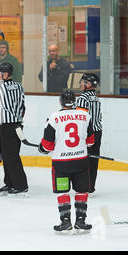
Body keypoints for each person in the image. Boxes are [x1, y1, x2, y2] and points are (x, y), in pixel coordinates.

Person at [38, 89, 95, 233]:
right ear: (74, 102)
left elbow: (47, 145)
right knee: (81, 191)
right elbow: (90, 141)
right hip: (81, 161)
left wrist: (42, 149)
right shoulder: (85, 115)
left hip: (61, 164)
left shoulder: (54, 117)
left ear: (60, 102)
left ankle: (65, 221)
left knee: (63, 192)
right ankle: (81, 221)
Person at [0, 62, 29, 196]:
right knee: (9, 156)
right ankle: (10, 182)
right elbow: (22, 105)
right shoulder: (19, 86)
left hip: (8, 125)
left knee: (11, 156)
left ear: (6, 74)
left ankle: (21, 185)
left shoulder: (0, 87)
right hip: (17, 124)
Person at [76, 73, 102, 195]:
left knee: (84, 161)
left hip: (88, 133)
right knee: (93, 161)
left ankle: (84, 187)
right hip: (98, 132)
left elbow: (81, 119)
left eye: (82, 81)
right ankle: (90, 187)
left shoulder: (82, 98)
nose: (80, 84)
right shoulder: (96, 97)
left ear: (88, 84)